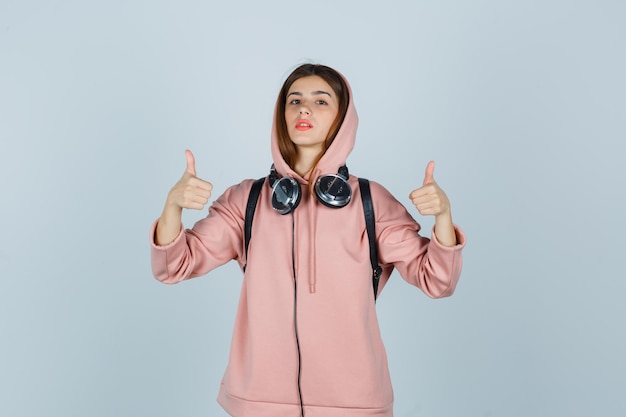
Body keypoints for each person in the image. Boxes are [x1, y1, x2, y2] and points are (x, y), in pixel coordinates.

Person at [150, 63, 466, 417]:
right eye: (294, 100)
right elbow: (174, 266)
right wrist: (173, 207)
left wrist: (443, 216)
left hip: (354, 403)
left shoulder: (371, 202)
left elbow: (437, 280)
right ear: (281, 114)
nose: (304, 109)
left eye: (321, 101)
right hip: (258, 402)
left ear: (342, 118)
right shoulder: (248, 200)